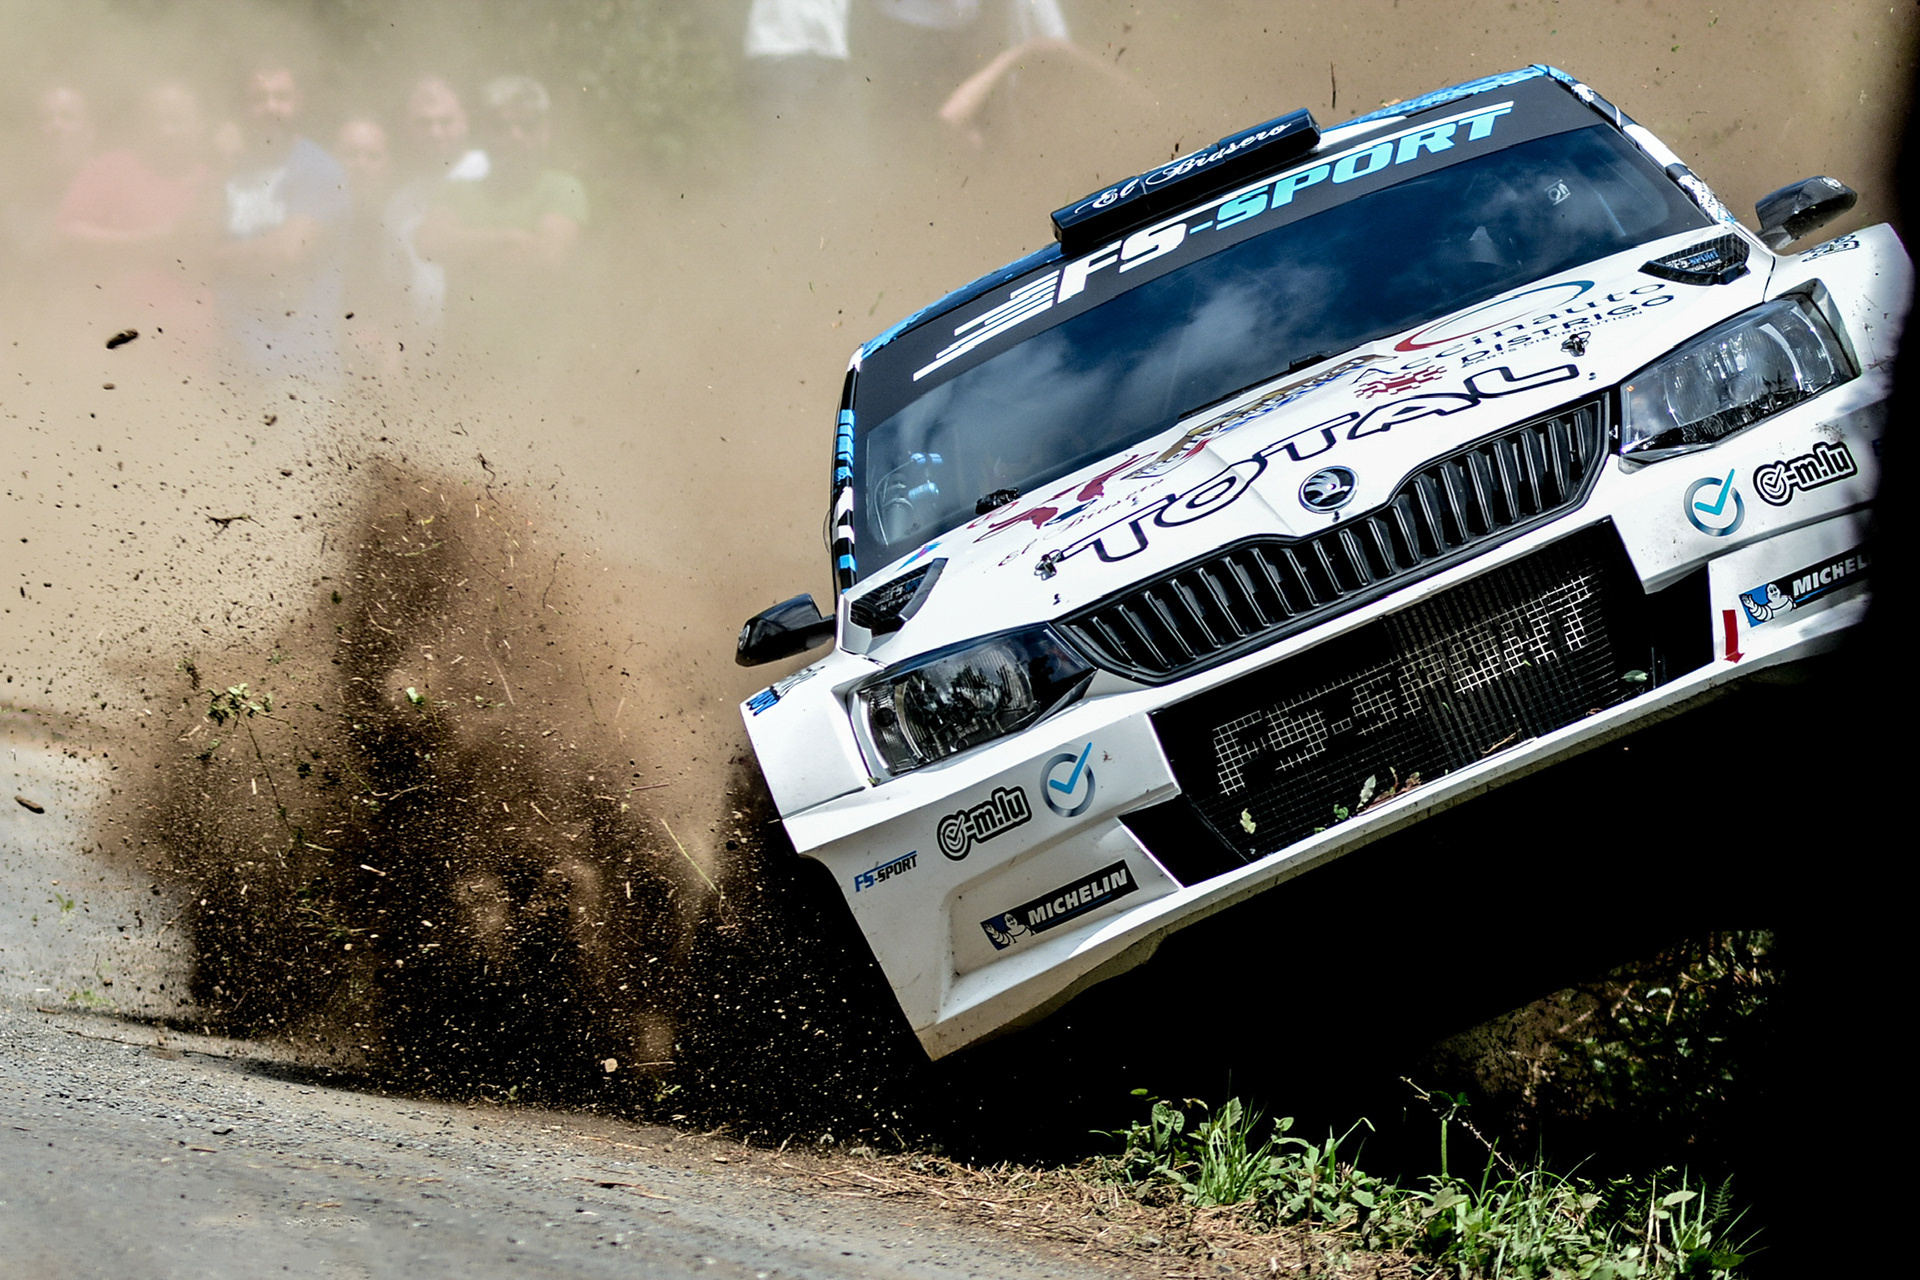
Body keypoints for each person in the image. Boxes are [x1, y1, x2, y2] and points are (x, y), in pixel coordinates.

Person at [415, 75, 587, 365]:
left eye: (527, 125)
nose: (515, 135)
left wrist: (465, 249)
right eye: (501, 126)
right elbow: (429, 243)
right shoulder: (458, 190)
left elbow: (548, 256)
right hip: (461, 366)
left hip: (540, 367)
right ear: (485, 132)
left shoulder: (562, 188)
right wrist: (508, 239)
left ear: (544, 132)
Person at [54, 81, 218, 367]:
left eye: (177, 120)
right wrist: (152, 239)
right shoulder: (112, 168)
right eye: (156, 121)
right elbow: (68, 232)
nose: (166, 131)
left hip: (194, 349)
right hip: (119, 343)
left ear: (199, 125)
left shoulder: (214, 182)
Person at [214, 62, 349, 384]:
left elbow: (285, 254)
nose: (271, 107)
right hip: (230, 367)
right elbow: (187, 242)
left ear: (298, 102)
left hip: (300, 372)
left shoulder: (319, 170)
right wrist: (219, 165)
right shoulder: (230, 168)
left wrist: (210, 257)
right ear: (243, 107)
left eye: (282, 97)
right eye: (259, 98)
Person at [383, 77, 488, 340]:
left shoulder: (490, 175)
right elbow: (395, 292)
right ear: (407, 127)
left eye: (446, 122)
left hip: (485, 341)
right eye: (424, 123)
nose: (435, 133)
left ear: (465, 120)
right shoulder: (400, 203)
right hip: (423, 348)